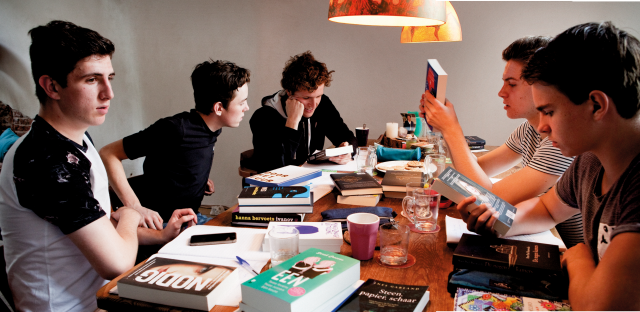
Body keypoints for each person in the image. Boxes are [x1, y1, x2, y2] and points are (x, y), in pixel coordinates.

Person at [0, 21, 197, 312]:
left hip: (97, 298)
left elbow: (100, 222)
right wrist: (131, 213)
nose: (109, 93)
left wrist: (161, 234)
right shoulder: (45, 158)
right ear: (51, 86)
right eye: (92, 80)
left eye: (109, 78)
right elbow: (115, 262)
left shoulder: (77, 138)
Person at [456, 21, 640, 310]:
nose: (541, 127)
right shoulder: (590, 161)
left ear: (596, 105)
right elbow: (548, 209)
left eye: (549, 112)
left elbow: (597, 307)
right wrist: (496, 221)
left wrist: (578, 257)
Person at [419, 36, 582, 248]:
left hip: (570, 251)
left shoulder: (561, 143)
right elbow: (476, 171)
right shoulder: (528, 130)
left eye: (511, 84)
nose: (501, 93)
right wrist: (444, 128)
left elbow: (491, 199)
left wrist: (452, 129)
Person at [100, 60, 250, 228]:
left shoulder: (212, 128)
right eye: (242, 102)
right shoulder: (174, 128)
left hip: (189, 217)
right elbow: (108, 153)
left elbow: (181, 156)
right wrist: (135, 207)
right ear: (218, 108)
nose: (247, 107)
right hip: (161, 224)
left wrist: (197, 177)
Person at [248, 51, 357, 174]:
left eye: (318, 96)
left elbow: (347, 136)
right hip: (281, 187)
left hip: (313, 179)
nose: (314, 104)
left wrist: (347, 150)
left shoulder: (322, 104)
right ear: (289, 92)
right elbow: (273, 168)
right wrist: (292, 122)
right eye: (306, 98)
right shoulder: (263, 117)